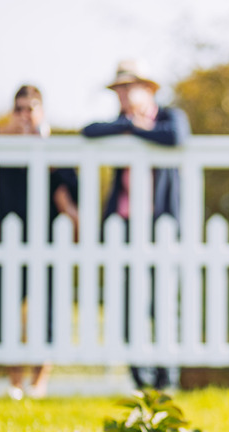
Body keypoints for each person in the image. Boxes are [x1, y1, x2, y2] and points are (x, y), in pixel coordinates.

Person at [82, 59, 190, 391]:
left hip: (161, 225)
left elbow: (175, 136)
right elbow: (89, 130)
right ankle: (138, 375)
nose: (123, 96)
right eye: (119, 90)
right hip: (125, 225)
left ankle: (164, 374)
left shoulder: (170, 116)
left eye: (128, 88)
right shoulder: (119, 122)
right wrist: (129, 126)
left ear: (147, 90)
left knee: (163, 300)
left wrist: (136, 130)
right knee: (127, 299)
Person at [0, 85, 79, 399]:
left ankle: (39, 382)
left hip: (46, 242)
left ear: (41, 112)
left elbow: (71, 189)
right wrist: (2, 133)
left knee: (47, 311)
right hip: (5, 243)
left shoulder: (54, 151)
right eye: (19, 109)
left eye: (30, 108)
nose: (24, 115)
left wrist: (46, 152)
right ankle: (15, 381)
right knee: (3, 311)